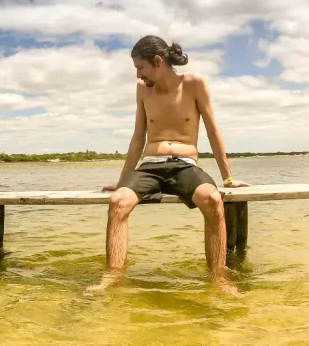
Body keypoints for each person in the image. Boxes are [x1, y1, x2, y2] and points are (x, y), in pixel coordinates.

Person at [86, 35, 250, 296]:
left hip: (184, 165)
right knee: (118, 201)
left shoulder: (194, 84)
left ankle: (219, 279)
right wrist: (122, 181)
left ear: (158, 62)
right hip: (150, 166)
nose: (138, 75)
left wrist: (228, 179)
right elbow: (138, 137)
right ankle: (112, 276)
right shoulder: (142, 90)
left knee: (212, 199)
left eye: (140, 67)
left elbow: (212, 130)